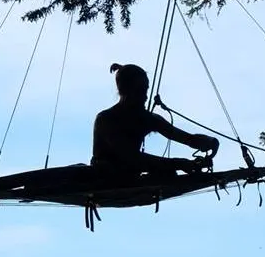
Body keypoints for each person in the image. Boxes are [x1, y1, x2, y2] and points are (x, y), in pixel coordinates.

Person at [91, 63, 220, 177]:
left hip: (130, 175)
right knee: (166, 170)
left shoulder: (147, 119)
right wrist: (179, 164)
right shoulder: (106, 120)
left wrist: (210, 142)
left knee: (167, 172)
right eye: (140, 91)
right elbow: (130, 157)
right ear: (125, 91)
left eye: (145, 90)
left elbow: (186, 138)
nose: (145, 97)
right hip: (106, 178)